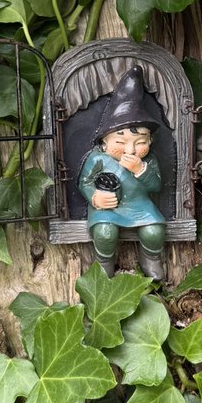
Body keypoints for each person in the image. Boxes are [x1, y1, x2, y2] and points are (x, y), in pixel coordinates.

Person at [78, 66, 165, 280]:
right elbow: (85, 182)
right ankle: (104, 262)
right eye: (120, 142)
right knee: (105, 233)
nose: (130, 150)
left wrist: (140, 169)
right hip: (108, 207)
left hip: (139, 205)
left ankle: (150, 258)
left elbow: (156, 185)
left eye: (140, 143)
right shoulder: (98, 159)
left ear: (150, 141)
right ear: (104, 143)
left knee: (154, 231)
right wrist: (95, 197)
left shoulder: (149, 160)